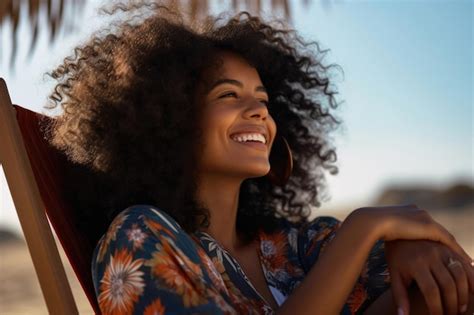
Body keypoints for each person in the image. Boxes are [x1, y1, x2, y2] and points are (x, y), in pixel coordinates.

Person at [43, 2, 474, 314]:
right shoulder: (140, 238)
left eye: (264, 100)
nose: (260, 112)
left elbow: (423, 288)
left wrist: (410, 246)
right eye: (228, 95)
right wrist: (366, 226)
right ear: (168, 119)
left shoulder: (297, 246)